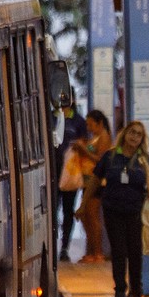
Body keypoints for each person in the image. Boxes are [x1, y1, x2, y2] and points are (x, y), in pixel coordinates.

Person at [88, 120, 149, 297]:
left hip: (136, 212)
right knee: (119, 251)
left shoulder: (144, 159)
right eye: (132, 132)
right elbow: (95, 181)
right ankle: (120, 290)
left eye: (138, 134)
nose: (134, 137)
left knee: (135, 251)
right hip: (113, 210)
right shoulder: (111, 156)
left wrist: (146, 172)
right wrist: (83, 204)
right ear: (124, 134)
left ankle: (137, 290)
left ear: (142, 139)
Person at [53, 94, 88, 261]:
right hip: (52, 173)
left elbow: (85, 144)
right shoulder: (50, 117)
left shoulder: (79, 121)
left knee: (68, 211)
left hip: (70, 175)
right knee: (52, 210)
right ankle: (52, 244)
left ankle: (64, 247)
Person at [75, 110, 112, 263]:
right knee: (86, 217)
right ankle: (90, 251)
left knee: (92, 216)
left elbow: (100, 160)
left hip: (96, 183)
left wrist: (83, 150)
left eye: (91, 124)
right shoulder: (94, 137)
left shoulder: (104, 137)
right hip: (87, 181)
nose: (88, 128)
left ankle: (97, 252)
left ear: (100, 123)